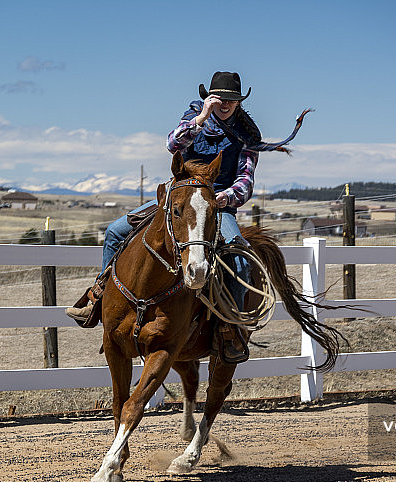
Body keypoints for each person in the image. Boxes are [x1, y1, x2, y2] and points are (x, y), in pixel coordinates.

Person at [68, 71, 309, 362]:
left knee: (241, 261)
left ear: (239, 102)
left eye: (231, 99)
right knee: (116, 231)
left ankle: (229, 330)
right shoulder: (193, 118)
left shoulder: (247, 136)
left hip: (217, 204)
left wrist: (226, 197)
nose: (225, 104)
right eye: (219, 98)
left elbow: (246, 180)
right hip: (180, 197)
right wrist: (201, 117)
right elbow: (173, 145)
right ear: (210, 97)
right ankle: (100, 298)